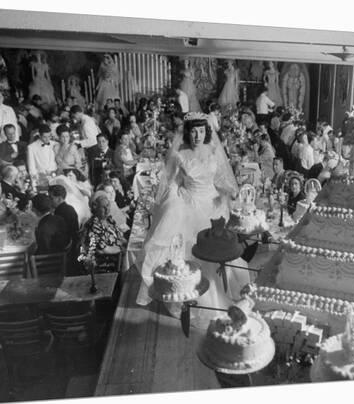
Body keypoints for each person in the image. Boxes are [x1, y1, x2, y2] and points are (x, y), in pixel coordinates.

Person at [136, 114, 248, 323]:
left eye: (202, 131)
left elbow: (219, 179)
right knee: (191, 252)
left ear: (207, 132)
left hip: (213, 205)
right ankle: (192, 297)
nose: (198, 135)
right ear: (187, 132)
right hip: (189, 206)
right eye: (194, 131)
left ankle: (221, 289)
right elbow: (170, 183)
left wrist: (224, 193)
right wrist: (176, 199)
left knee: (216, 251)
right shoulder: (180, 155)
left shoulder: (214, 151)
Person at [79, 194, 125, 273]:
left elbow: (120, 237)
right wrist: (121, 249)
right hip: (104, 265)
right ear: (95, 208)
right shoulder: (93, 225)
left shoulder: (109, 220)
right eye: (103, 207)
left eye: (108, 206)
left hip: (118, 258)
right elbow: (103, 250)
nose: (107, 209)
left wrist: (126, 244)